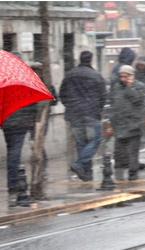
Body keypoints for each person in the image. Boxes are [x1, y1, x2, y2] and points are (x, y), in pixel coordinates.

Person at [59, 50, 106, 181]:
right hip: (91, 113)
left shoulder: (69, 75)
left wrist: (70, 106)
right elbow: (103, 96)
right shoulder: (96, 75)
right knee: (96, 139)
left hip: (74, 114)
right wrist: (97, 109)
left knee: (81, 142)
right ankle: (80, 164)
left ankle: (86, 173)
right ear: (91, 60)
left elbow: (62, 94)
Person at [108, 65, 145, 181]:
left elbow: (138, 100)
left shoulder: (139, 86)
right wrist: (113, 118)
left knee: (132, 152)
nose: (123, 79)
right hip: (120, 124)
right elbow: (113, 103)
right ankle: (119, 175)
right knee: (119, 153)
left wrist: (130, 87)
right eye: (121, 76)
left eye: (126, 76)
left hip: (133, 124)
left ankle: (133, 174)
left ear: (131, 76)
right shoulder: (117, 87)